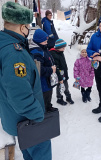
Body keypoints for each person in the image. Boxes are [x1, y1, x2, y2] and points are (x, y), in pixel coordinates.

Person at [0, 2, 52, 160]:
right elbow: (19, 94)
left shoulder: (5, 45)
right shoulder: (15, 53)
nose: (29, 30)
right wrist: (38, 114)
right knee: (40, 153)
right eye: (28, 26)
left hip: (16, 117)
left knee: (29, 154)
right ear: (22, 27)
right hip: (27, 120)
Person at [29, 29, 58, 112]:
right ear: (39, 41)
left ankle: (48, 106)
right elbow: (39, 69)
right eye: (45, 41)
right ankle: (44, 111)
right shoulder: (36, 52)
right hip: (43, 82)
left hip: (48, 80)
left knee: (49, 94)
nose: (47, 42)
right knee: (45, 96)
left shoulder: (42, 48)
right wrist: (51, 69)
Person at [49, 39, 74, 105]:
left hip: (63, 73)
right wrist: (60, 78)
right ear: (58, 47)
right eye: (63, 47)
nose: (64, 49)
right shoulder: (54, 54)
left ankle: (68, 97)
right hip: (59, 75)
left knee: (66, 86)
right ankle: (59, 98)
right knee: (60, 86)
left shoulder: (60, 52)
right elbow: (56, 67)